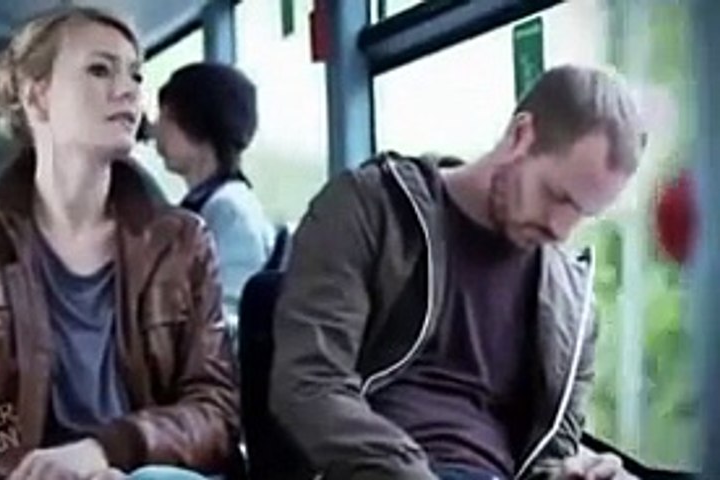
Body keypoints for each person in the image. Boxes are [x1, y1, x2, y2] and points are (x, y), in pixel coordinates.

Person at [0, 7, 237, 480]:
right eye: (100, 70)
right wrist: (28, 468)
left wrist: (108, 451)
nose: (128, 90)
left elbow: (215, 410)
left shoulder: (182, 240)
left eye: (135, 74)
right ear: (36, 96)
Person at [270, 65, 645, 480]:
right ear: (521, 136)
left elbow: (548, 453)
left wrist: (570, 473)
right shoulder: (370, 208)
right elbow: (309, 383)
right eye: (556, 196)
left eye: (583, 213)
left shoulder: (571, 307)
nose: (561, 229)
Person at [154, 63, 275, 321]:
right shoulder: (212, 204)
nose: (156, 130)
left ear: (195, 124)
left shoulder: (230, 212)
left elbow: (228, 315)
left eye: (167, 117)